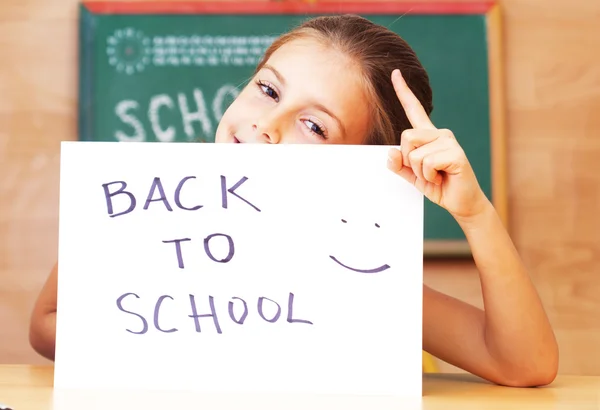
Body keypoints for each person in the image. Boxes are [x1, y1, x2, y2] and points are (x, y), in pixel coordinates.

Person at [29, 14, 559, 386]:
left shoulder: (359, 279)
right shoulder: (146, 203)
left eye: (313, 124)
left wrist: (475, 214)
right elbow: (47, 325)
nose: (268, 126)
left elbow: (523, 364)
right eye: (268, 89)